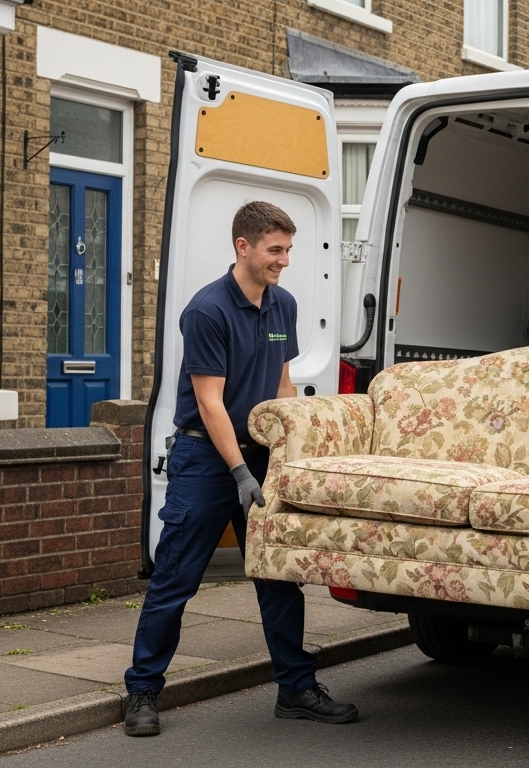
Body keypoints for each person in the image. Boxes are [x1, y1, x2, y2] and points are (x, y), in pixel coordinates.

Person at [123, 201, 358, 736]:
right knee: (176, 580)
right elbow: (210, 403)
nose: (284, 261)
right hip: (206, 459)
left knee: (278, 576)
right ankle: (141, 691)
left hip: (258, 456)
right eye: (275, 250)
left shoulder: (283, 305)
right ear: (243, 247)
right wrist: (238, 473)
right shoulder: (207, 310)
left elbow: (282, 388)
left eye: (288, 250)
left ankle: (296, 689)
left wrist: (294, 452)